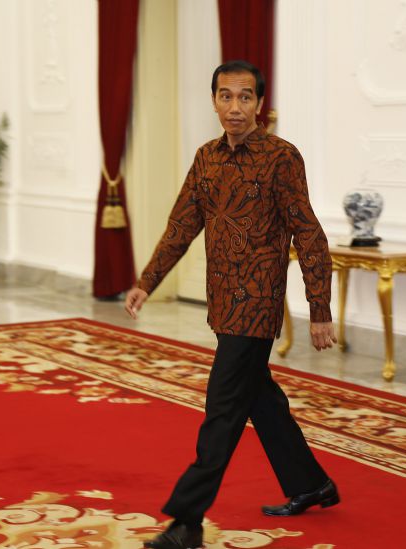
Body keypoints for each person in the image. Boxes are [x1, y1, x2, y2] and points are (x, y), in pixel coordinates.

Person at [125, 60, 340, 549]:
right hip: (223, 301)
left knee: (221, 411)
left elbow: (307, 232)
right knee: (259, 399)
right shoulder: (207, 158)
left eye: (245, 97)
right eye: (225, 96)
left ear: (260, 104)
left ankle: (186, 521)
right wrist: (147, 281)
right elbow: (182, 225)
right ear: (214, 100)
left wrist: (319, 306)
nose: (235, 107)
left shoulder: (282, 158)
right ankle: (311, 484)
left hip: (258, 306)